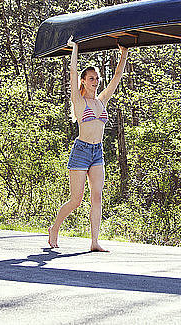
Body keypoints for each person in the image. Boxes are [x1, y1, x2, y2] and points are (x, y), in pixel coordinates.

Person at [48, 36, 128, 252]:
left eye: (96, 78)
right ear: (84, 81)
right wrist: (75, 49)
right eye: (91, 78)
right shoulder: (79, 101)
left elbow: (117, 76)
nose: (95, 81)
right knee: (76, 200)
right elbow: (73, 73)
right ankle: (54, 228)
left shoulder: (101, 101)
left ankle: (94, 242)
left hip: (97, 152)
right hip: (81, 151)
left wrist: (124, 52)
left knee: (97, 196)